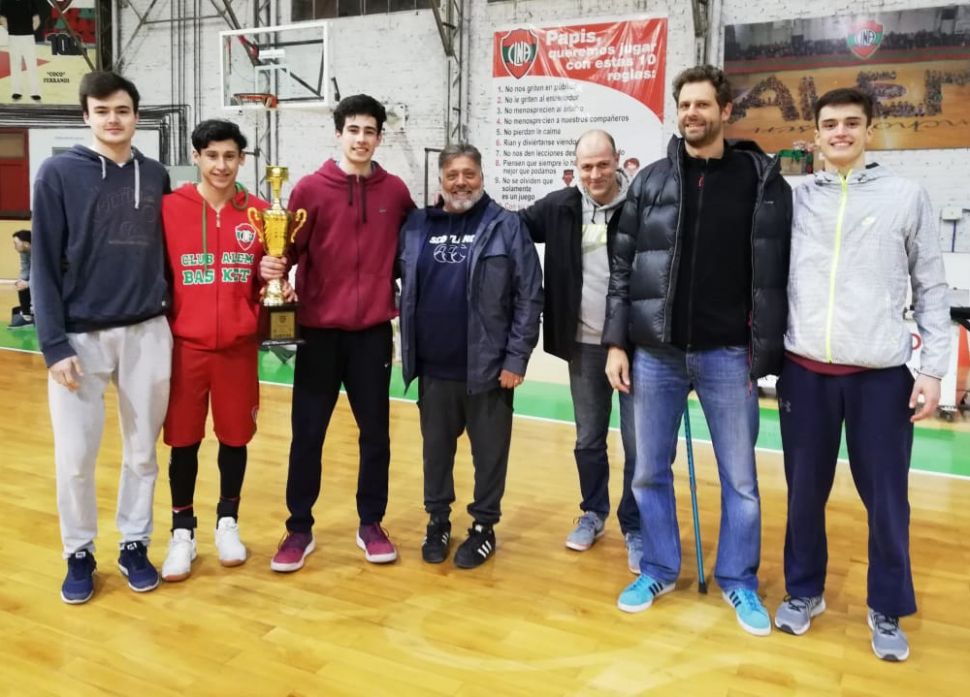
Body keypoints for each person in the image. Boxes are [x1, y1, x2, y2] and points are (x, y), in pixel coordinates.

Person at [604, 65, 791, 636]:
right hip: (656, 353)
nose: (691, 113)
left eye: (702, 104)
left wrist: (766, 348)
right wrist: (616, 342)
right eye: (684, 104)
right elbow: (622, 268)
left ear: (725, 110)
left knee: (740, 480)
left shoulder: (760, 180)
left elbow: (777, 272)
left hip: (728, 354)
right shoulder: (650, 181)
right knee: (647, 472)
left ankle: (738, 579)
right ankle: (659, 568)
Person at [774, 87, 949, 662]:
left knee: (887, 500)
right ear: (816, 134)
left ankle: (887, 606)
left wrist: (933, 369)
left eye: (852, 123)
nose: (841, 132)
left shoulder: (906, 196)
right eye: (830, 124)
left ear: (870, 130)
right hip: (805, 373)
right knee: (804, 495)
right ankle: (804, 590)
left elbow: (931, 285)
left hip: (880, 377)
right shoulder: (796, 199)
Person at [31, 71, 172, 603]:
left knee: (142, 453)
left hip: (147, 331)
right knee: (74, 458)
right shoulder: (57, 173)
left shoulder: (155, 174)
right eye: (102, 110)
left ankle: (134, 542)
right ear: (86, 116)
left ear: (136, 116)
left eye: (122, 110)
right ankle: (79, 552)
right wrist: (53, 344)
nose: (113, 120)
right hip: (79, 338)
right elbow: (43, 264)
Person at [261, 94, 415, 572]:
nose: (361, 139)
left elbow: (412, 249)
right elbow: (285, 249)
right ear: (338, 133)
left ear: (379, 138)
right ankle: (298, 527)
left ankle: (371, 523)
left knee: (376, 435)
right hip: (318, 333)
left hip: (372, 334)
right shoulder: (309, 189)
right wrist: (273, 268)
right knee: (308, 434)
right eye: (353, 130)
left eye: (369, 131)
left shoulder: (395, 192)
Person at [398, 143, 542, 569]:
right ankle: (437, 521)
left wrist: (516, 358)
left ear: (481, 176)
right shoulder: (417, 225)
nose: (461, 182)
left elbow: (529, 295)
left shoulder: (506, 226)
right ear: (441, 180)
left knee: (490, 456)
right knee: (436, 455)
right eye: (452, 175)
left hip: (489, 369)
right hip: (434, 368)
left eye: (469, 174)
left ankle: (483, 527)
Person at [159, 119, 285, 582]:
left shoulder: (261, 213)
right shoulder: (169, 209)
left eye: (230, 156)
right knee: (183, 442)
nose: (221, 165)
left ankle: (227, 522)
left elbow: (267, 280)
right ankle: (182, 532)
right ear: (196, 157)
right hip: (184, 348)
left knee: (235, 438)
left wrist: (271, 273)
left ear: (242, 160)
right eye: (211, 155)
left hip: (237, 348)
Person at [520, 129, 641, 573]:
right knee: (588, 438)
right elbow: (509, 225)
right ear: (575, 168)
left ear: (617, 161)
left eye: (603, 164)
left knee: (640, 445)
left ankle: (636, 525)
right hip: (585, 347)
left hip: (636, 347)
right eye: (586, 167)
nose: (595, 174)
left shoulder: (641, 204)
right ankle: (593, 512)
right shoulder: (560, 206)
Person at [9, 229, 33, 328]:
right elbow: (25, 268)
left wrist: (29, 284)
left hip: (51, 278)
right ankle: (27, 316)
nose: (14, 246)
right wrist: (21, 281)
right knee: (22, 284)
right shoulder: (24, 252)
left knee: (28, 284)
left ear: (26, 243)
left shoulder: (39, 253)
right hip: (37, 277)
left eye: (16, 243)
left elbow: (41, 274)